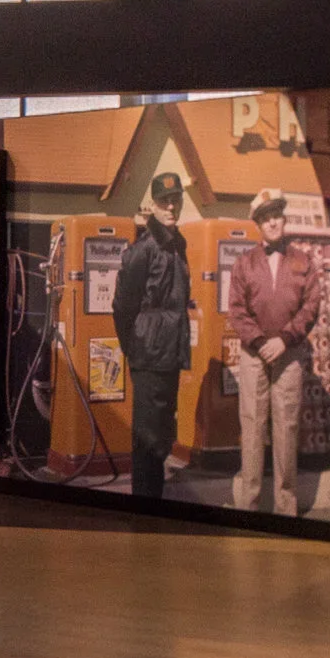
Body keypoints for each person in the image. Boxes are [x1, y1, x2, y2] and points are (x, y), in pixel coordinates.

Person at [225, 189, 319, 516]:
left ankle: (285, 508)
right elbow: (236, 310)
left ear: (284, 219)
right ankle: (249, 507)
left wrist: (285, 339)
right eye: (266, 218)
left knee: (286, 427)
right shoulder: (244, 262)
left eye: (277, 215)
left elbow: (311, 306)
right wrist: (260, 342)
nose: (273, 223)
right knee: (252, 428)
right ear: (258, 224)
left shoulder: (303, 261)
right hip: (254, 355)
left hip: (289, 354)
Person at [109, 172, 193, 500]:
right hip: (149, 354)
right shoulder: (143, 249)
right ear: (153, 206)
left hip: (170, 352)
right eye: (164, 201)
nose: (171, 207)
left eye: (176, 200)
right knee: (147, 436)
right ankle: (145, 504)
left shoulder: (178, 243)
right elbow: (122, 306)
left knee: (160, 433)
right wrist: (134, 346)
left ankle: (153, 496)